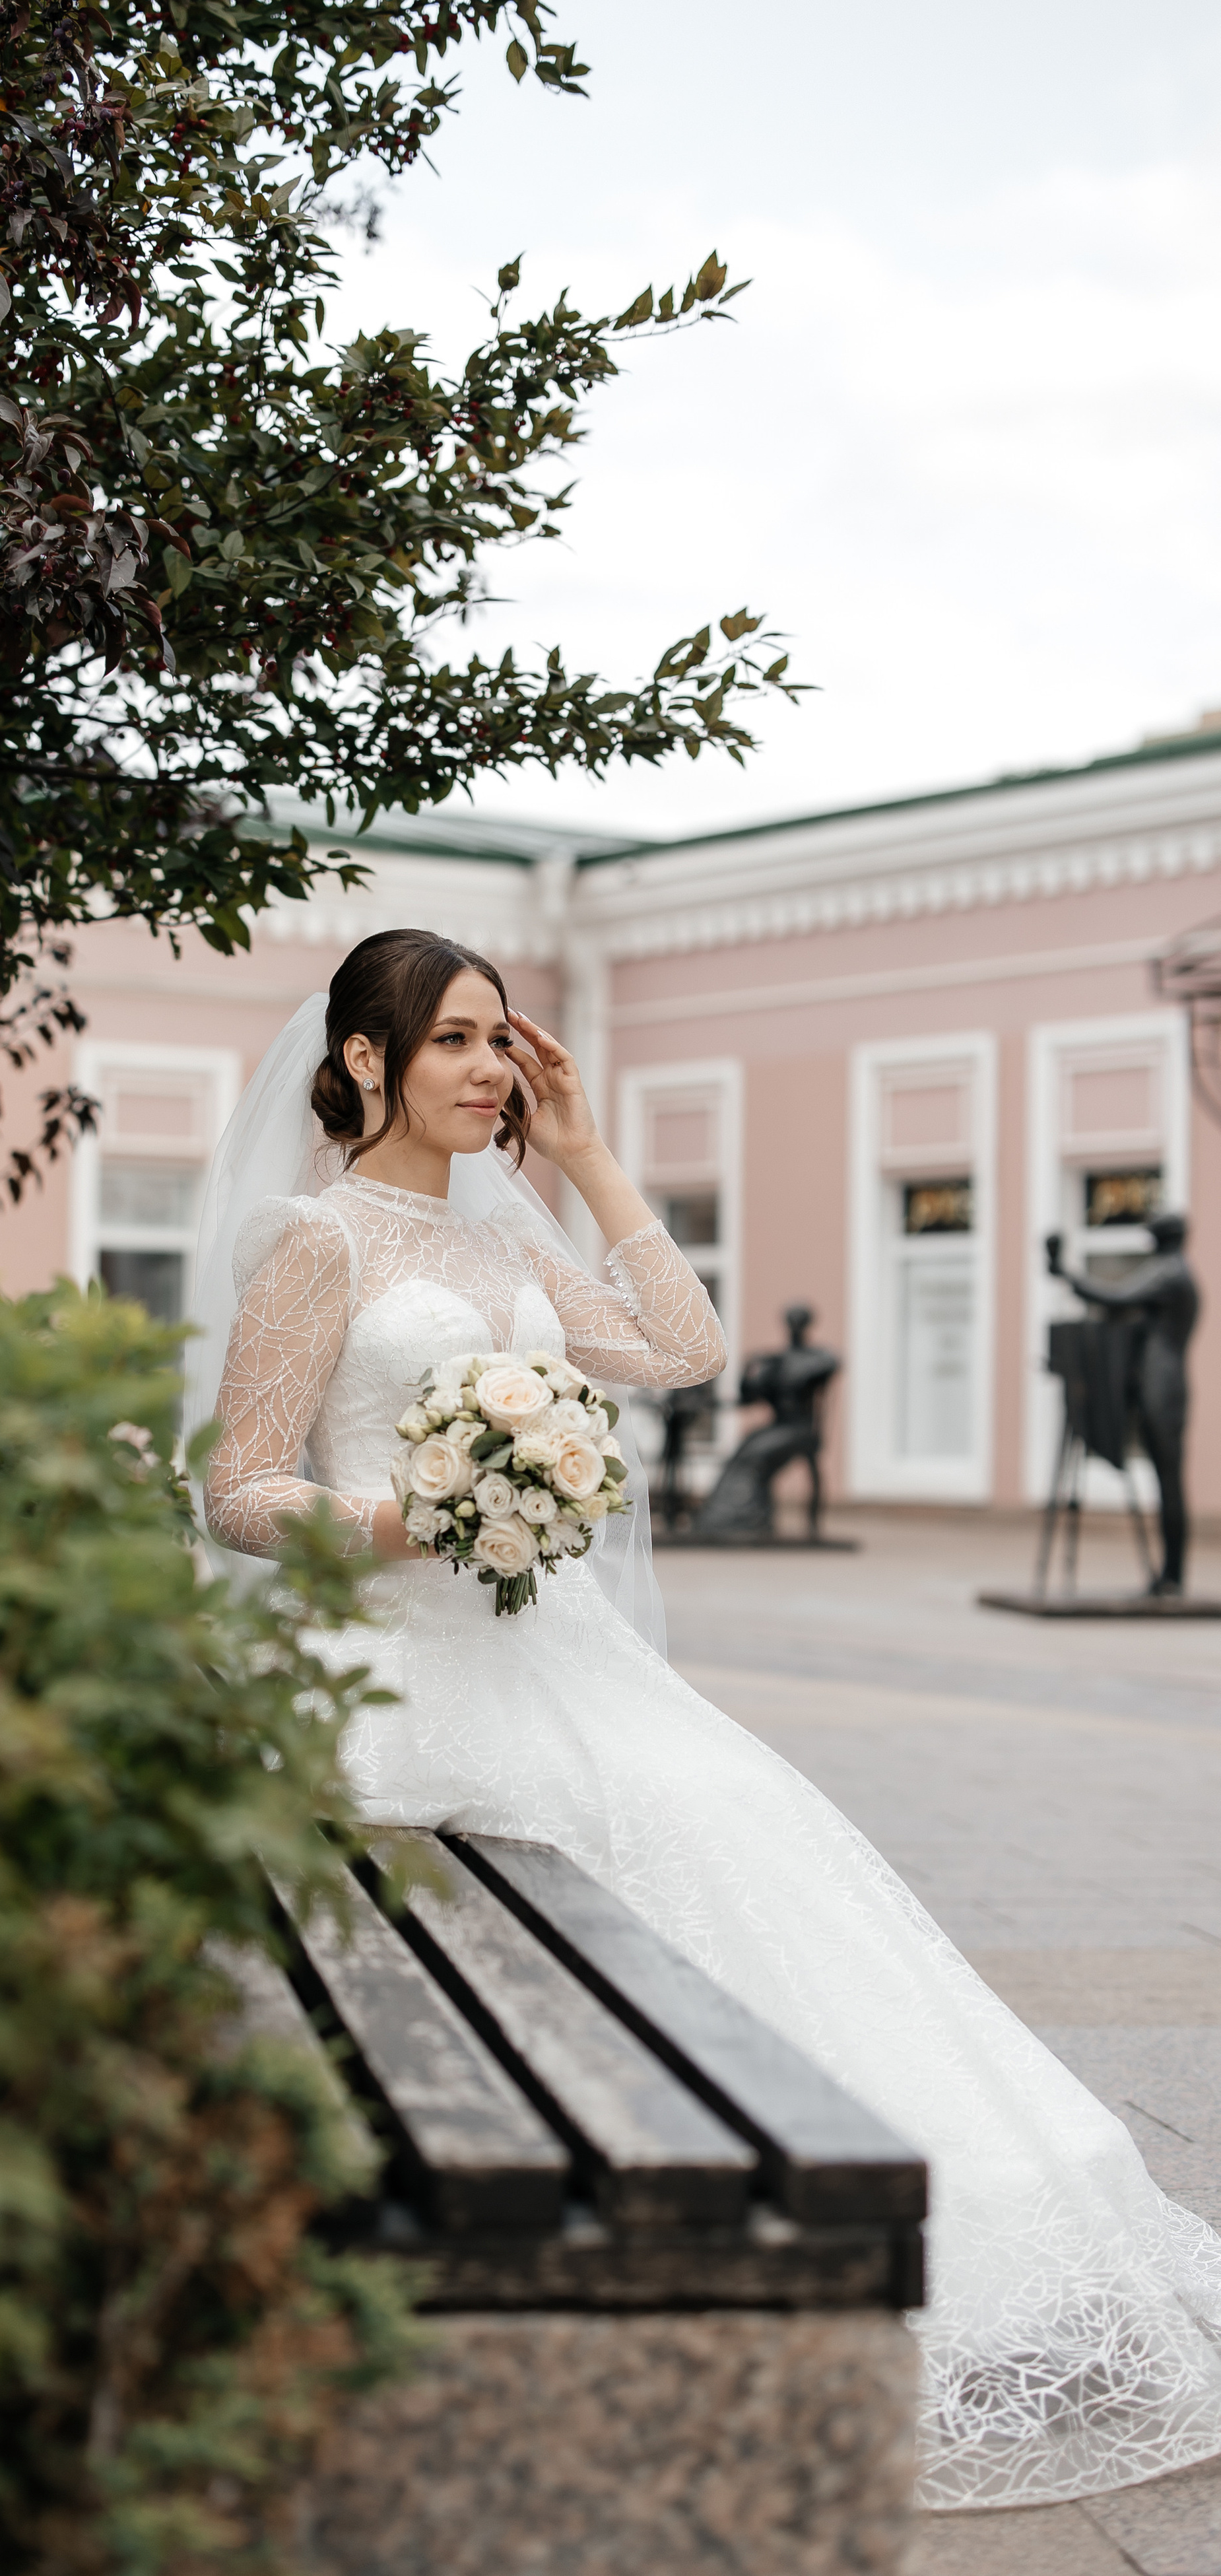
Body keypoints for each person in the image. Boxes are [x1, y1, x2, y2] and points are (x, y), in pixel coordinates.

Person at [193, 928, 1221, 2515]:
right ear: (360, 1062)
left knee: (745, 1817)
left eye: (497, 1041)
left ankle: (960, 2215)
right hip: (406, 1656)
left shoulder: (506, 1240)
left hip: (563, 1650)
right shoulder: (317, 1243)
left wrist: (592, 1161)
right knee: (651, 1836)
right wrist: (409, 1516)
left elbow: (683, 1351)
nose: (488, 1069)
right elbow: (240, 1488)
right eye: (455, 1040)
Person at [1045, 1215, 1199, 1594]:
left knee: (1169, 1481)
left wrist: (1065, 1273)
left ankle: (1173, 1575)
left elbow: (1116, 1296)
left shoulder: (1170, 1273)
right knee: (1169, 1482)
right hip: (1159, 1383)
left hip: (1160, 1386)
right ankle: (1170, 1573)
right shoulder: (1174, 1272)